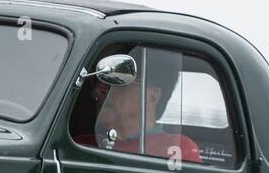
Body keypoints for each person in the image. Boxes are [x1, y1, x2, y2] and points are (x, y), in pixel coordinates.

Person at [72, 53, 201, 163]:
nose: (96, 91)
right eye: (98, 82)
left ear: (151, 97)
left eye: (117, 80)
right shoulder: (78, 145)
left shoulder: (179, 150)